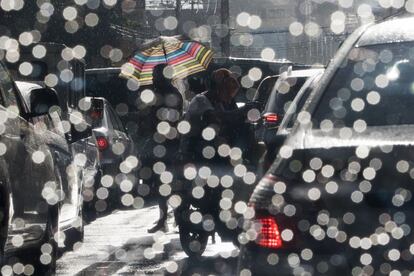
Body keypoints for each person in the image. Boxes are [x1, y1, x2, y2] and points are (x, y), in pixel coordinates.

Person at [140, 63, 183, 233]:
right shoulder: (159, 94)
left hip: (170, 144)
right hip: (159, 143)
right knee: (160, 182)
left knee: (171, 182)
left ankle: (174, 215)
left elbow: (171, 119)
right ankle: (164, 218)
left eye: (155, 76)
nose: (152, 79)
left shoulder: (172, 94)